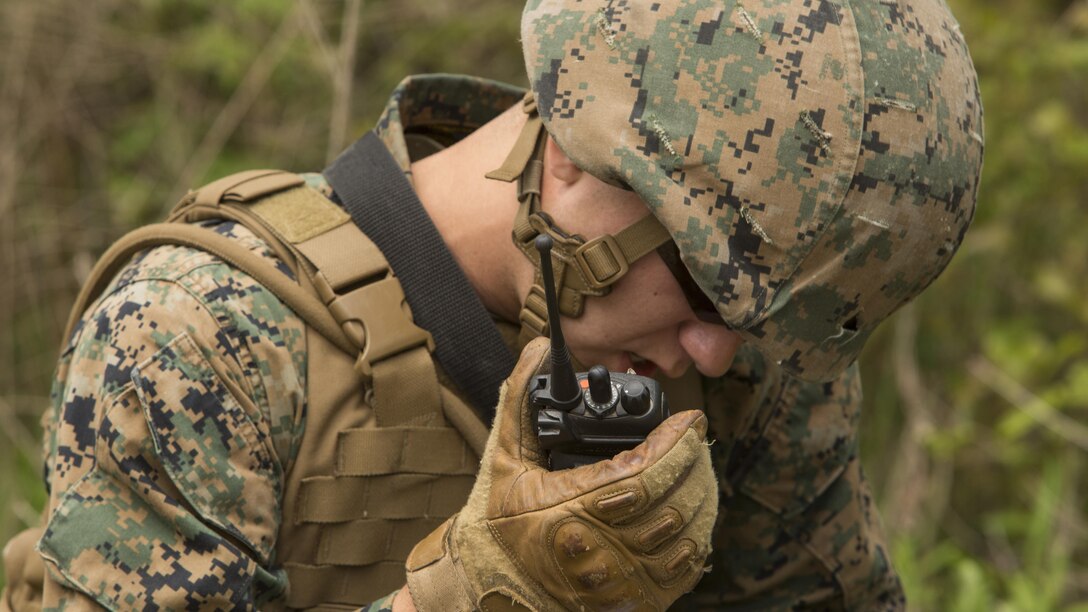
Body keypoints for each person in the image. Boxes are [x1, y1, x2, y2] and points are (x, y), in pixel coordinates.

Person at [0, 0, 983, 609]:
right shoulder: (206, 332)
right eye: (704, 287)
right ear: (567, 152)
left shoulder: (742, 356)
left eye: (760, 321)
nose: (713, 356)